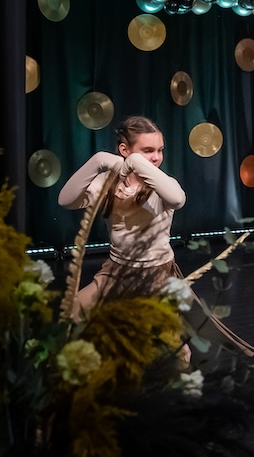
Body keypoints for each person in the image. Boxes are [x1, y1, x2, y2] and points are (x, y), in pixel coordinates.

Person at [58, 115, 186, 321]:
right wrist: (98, 160)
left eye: (160, 150)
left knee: (158, 337)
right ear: (124, 150)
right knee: (72, 313)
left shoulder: (161, 184)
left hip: (157, 275)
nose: (156, 157)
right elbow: (66, 200)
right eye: (148, 150)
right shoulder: (108, 183)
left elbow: (177, 199)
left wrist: (136, 161)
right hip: (117, 272)